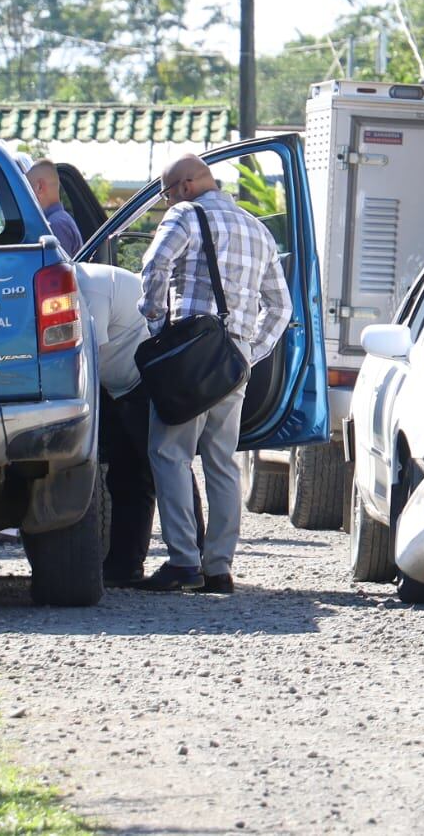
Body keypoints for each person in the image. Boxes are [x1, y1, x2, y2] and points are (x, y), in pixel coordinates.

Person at [136, 155, 290, 594]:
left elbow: (154, 266)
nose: (167, 202)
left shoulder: (185, 215)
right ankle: (219, 568)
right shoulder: (258, 230)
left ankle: (184, 561)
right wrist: (249, 354)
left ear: (185, 186)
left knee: (169, 453)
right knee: (223, 463)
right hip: (232, 361)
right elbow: (281, 308)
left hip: (189, 352)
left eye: (166, 194)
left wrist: (157, 326)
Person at [75, 262, 204, 586]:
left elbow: (86, 355)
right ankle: (124, 566)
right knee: (126, 477)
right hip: (121, 389)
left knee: (168, 468)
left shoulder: (88, 288)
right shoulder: (82, 281)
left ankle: (194, 560)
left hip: (145, 384)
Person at [25, 159, 83, 255]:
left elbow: (56, 263)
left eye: (28, 188)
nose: (25, 195)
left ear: (39, 187)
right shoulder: (60, 219)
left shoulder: (55, 224)